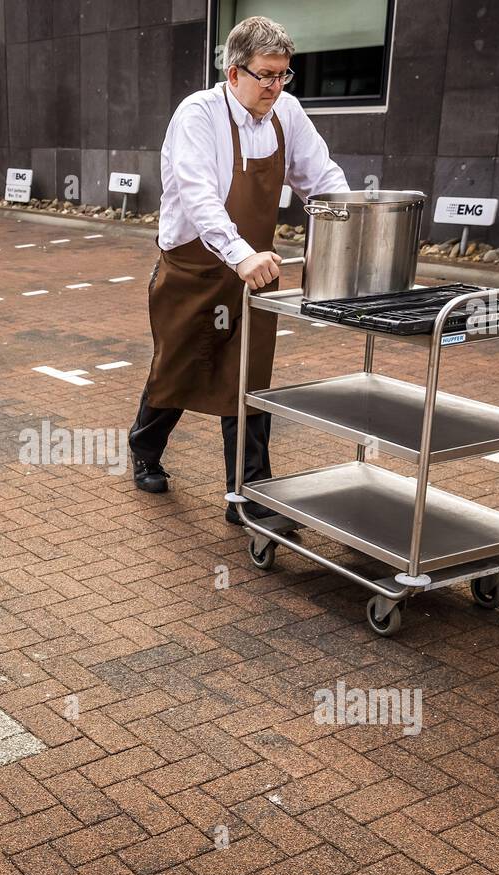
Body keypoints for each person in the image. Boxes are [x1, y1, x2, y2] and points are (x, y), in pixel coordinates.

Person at [128, 16, 348, 524]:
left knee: (248, 376)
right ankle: (144, 447)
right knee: (180, 365)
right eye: (266, 75)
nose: (276, 86)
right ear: (234, 73)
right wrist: (239, 252)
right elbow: (198, 195)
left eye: (283, 75)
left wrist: (354, 222)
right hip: (194, 267)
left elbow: (322, 177)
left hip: (255, 270)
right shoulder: (197, 115)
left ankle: (246, 495)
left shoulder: (286, 112)